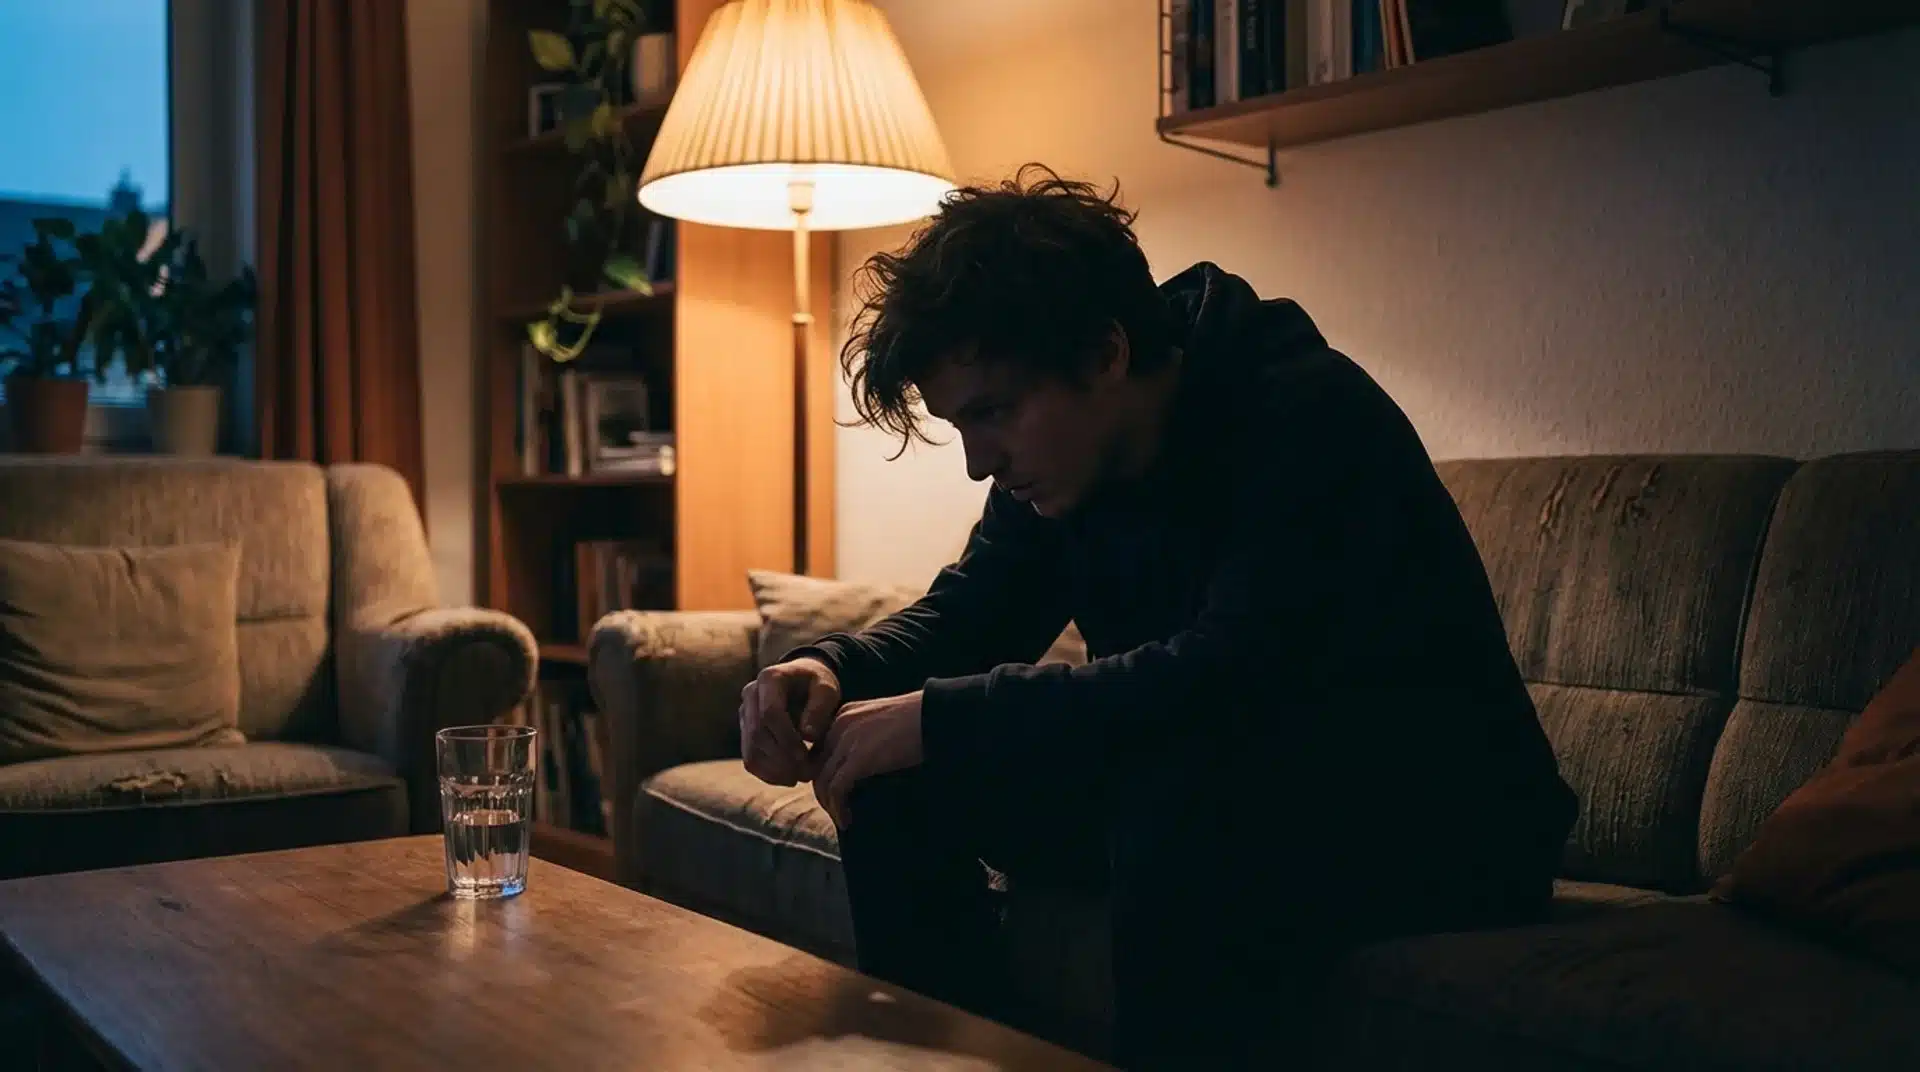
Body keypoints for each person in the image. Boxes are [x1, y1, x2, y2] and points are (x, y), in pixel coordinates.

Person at [735, 164, 1577, 1068]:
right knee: (890, 780)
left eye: (993, 413)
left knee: (1175, 806)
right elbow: (971, 613)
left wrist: (941, 717)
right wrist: (831, 670)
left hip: (1436, 819)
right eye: (961, 425)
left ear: (1105, 354)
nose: (980, 462)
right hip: (1224, 779)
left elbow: (1228, 674)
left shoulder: (1303, 412)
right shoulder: (1063, 463)